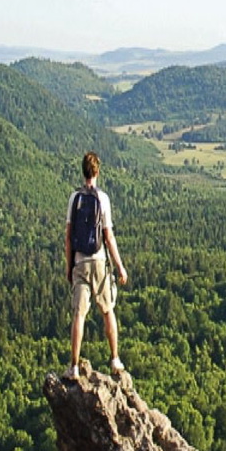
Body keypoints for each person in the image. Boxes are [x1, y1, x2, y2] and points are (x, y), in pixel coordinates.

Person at [64, 151, 128, 380]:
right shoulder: (102, 199)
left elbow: (68, 237)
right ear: (97, 171)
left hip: (80, 262)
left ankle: (73, 366)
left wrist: (69, 266)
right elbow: (108, 237)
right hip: (99, 261)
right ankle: (114, 359)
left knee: (79, 315)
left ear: (83, 171)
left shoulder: (75, 199)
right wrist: (120, 266)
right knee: (107, 310)